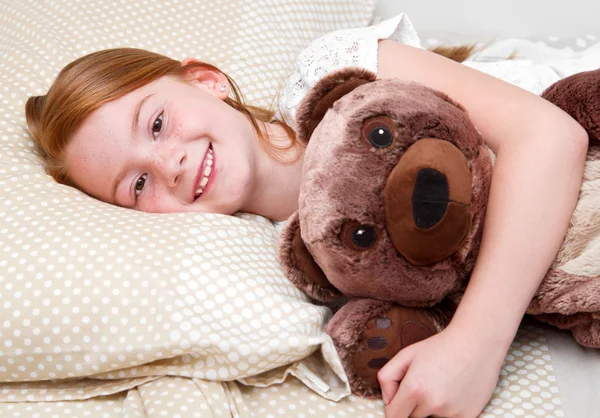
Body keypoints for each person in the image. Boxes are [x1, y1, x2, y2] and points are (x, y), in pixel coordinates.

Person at [25, 13, 588, 418]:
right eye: (138, 184)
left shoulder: (335, 73)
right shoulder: (279, 258)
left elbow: (551, 135)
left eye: (155, 124)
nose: (167, 163)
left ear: (206, 81)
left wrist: (475, 346)